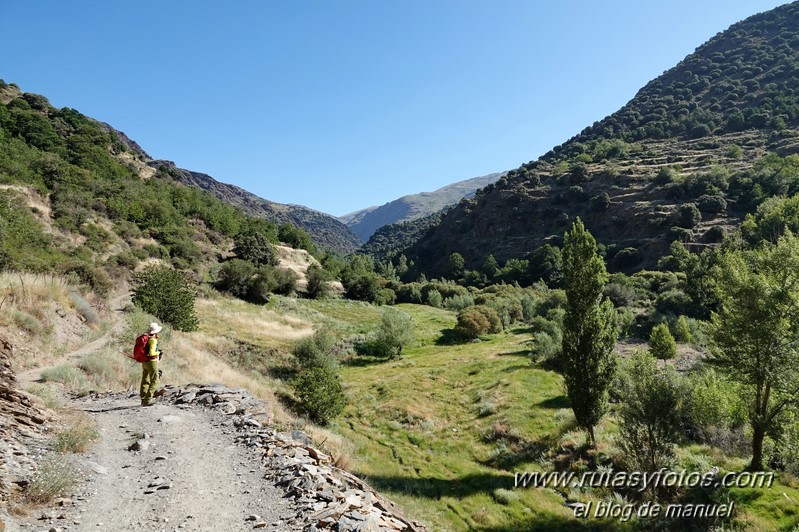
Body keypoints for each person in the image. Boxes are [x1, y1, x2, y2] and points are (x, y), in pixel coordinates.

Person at [140, 322, 162, 406]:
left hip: (144, 361)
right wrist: (158, 352)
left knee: (145, 379)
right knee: (155, 379)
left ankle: (143, 398)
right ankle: (147, 400)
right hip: (151, 362)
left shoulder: (146, 338)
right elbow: (152, 353)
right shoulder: (153, 340)